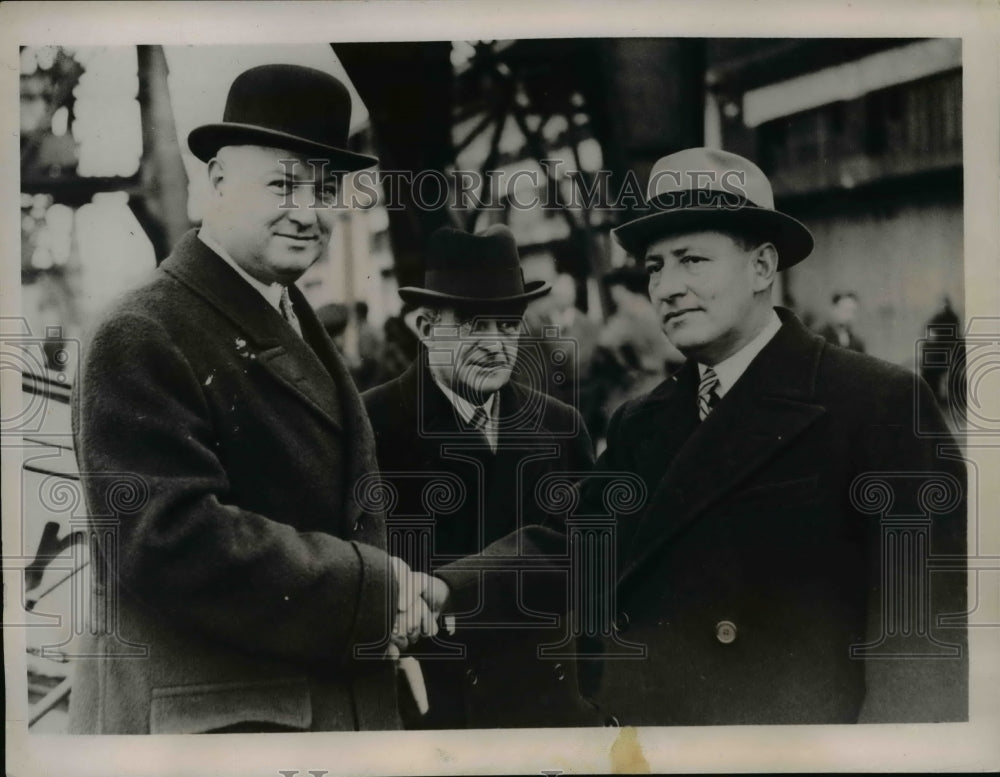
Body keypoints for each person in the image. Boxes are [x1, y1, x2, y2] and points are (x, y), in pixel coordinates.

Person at [69, 64, 439, 734]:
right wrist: (374, 594)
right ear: (216, 182)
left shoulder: (283, 314)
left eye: (325, 189)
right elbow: (172, 541)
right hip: (219, 735)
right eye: (282, 184)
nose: (308, 211)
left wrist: (379, 620)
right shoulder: (143, 331)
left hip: (295, 717)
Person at [580, 147, 967, 725]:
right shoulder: (641, 421)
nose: (666, 287)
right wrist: (438, 587)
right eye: (656, 265)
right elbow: (570, 544)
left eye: (692, 259)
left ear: (763, 267)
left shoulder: (879, 404)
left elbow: (923, 642)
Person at [363, 225, 601, 728]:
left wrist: (596, 702)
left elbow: (593, 571)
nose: (496, 345)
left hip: (545, 713)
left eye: (509, 325)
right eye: (474, 324)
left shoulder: (560, 426)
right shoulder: (370, 427)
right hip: (430, 717)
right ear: (426, 328)